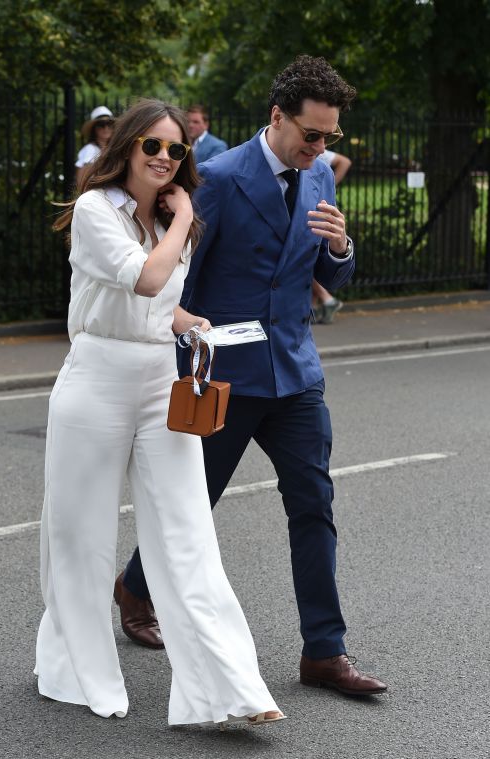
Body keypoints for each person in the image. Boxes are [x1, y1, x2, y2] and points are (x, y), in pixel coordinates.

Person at [116, 57, 388, 697]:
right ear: (277, 117)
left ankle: (325, 652)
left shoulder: (319, 172)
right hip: (223, 375)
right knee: (194, 502)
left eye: (329, 137)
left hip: (296, 372)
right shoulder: (216, 178)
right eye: (310, 135)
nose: (319, 149)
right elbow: (176, 282)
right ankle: (136, 584)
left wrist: (342, 249)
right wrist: (187, 351)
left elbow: (328, 274)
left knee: (314, 506)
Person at [34, 98, 284, 728]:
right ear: (125, 149)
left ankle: (228, 688)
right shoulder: (97, 211)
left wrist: (188, 321)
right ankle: (80, 671)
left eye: (178, 150)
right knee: (81, 532)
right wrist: (186, 218)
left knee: (187, 529)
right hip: (95, 378)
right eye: (153, 146)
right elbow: (141, 280)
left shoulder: (169, 222)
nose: (167, 159)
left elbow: (157, 300)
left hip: (158, 379)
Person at [312, 149, 353, 323]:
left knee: (306, 256)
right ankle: (313, 308)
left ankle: (326, 299)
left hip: (318, 207)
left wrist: (329, 186)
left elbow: (345, 161)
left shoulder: (312, 147)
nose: (320, 146)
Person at [75, 105, 115, 183]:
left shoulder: (114, 148)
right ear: (94, 129)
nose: (106, 128)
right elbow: (82, 179)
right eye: (101, 124)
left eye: (109, 123)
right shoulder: (90, 149)